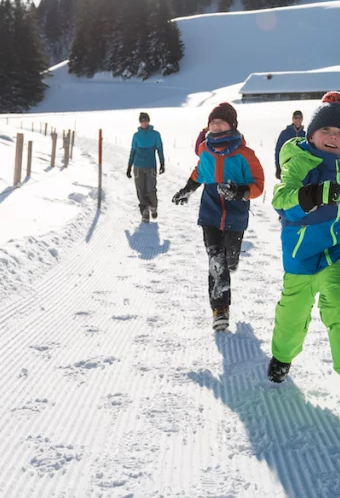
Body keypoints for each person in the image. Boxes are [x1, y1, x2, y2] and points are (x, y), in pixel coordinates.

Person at [268, 92, 340, 396]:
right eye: (326, 130)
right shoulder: (300, 160)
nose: (333, 137)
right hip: (301, 253)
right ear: (312, 134)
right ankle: (282, 357)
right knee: (293, 313)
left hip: (336, 250)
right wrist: (310, 196)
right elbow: (281, 199)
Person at [172, 102, 265, 332]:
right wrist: (187, 189)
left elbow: (259, 185)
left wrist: (239, 192)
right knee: (216, 259)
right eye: (212, 122)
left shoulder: (245, 154)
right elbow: (200, 172)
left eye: (220, 121)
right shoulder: (205, 149)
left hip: (236, 213)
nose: (215, 125)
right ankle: (220, 310)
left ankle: (233, 261)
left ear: (231, 125)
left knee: (229, 258)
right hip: (210, 211)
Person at [126, 112, 165, 222]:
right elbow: (133, 151)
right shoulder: (136, 136)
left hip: (150, 166)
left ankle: (153, 207)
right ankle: (144, 212)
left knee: (151, 189)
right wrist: (129, 166)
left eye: (145, 121)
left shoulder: (155, 134)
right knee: (140, 190)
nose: (144, 123)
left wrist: (162, 163)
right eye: (142, 121)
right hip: (138, 166)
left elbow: (160, 149)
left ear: (149, 121)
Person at [273, 110, 305, 179]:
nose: (297, 120)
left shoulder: (305, 135)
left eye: (299, 118)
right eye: (295, 118)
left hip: (301, 169)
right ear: (292, 119)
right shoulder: (285, 133)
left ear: (302, 119)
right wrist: (278, 167)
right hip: (287, 168)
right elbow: (278, 150)